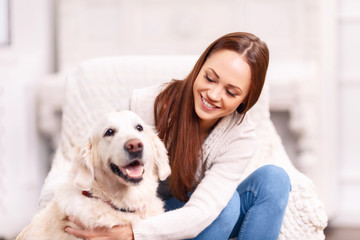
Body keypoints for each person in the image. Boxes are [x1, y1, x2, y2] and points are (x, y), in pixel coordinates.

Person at [64, 32, 291, 240]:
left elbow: (204, 211)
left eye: (231, 92)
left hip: (198, 219)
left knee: (274, 180)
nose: (212, 94)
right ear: (199, 67)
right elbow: (99, 157)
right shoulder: (144, 106)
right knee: (228, 206)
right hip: (147, 212)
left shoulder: (241, 137)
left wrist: (133, 234)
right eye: (210, 78)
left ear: (246, 99)